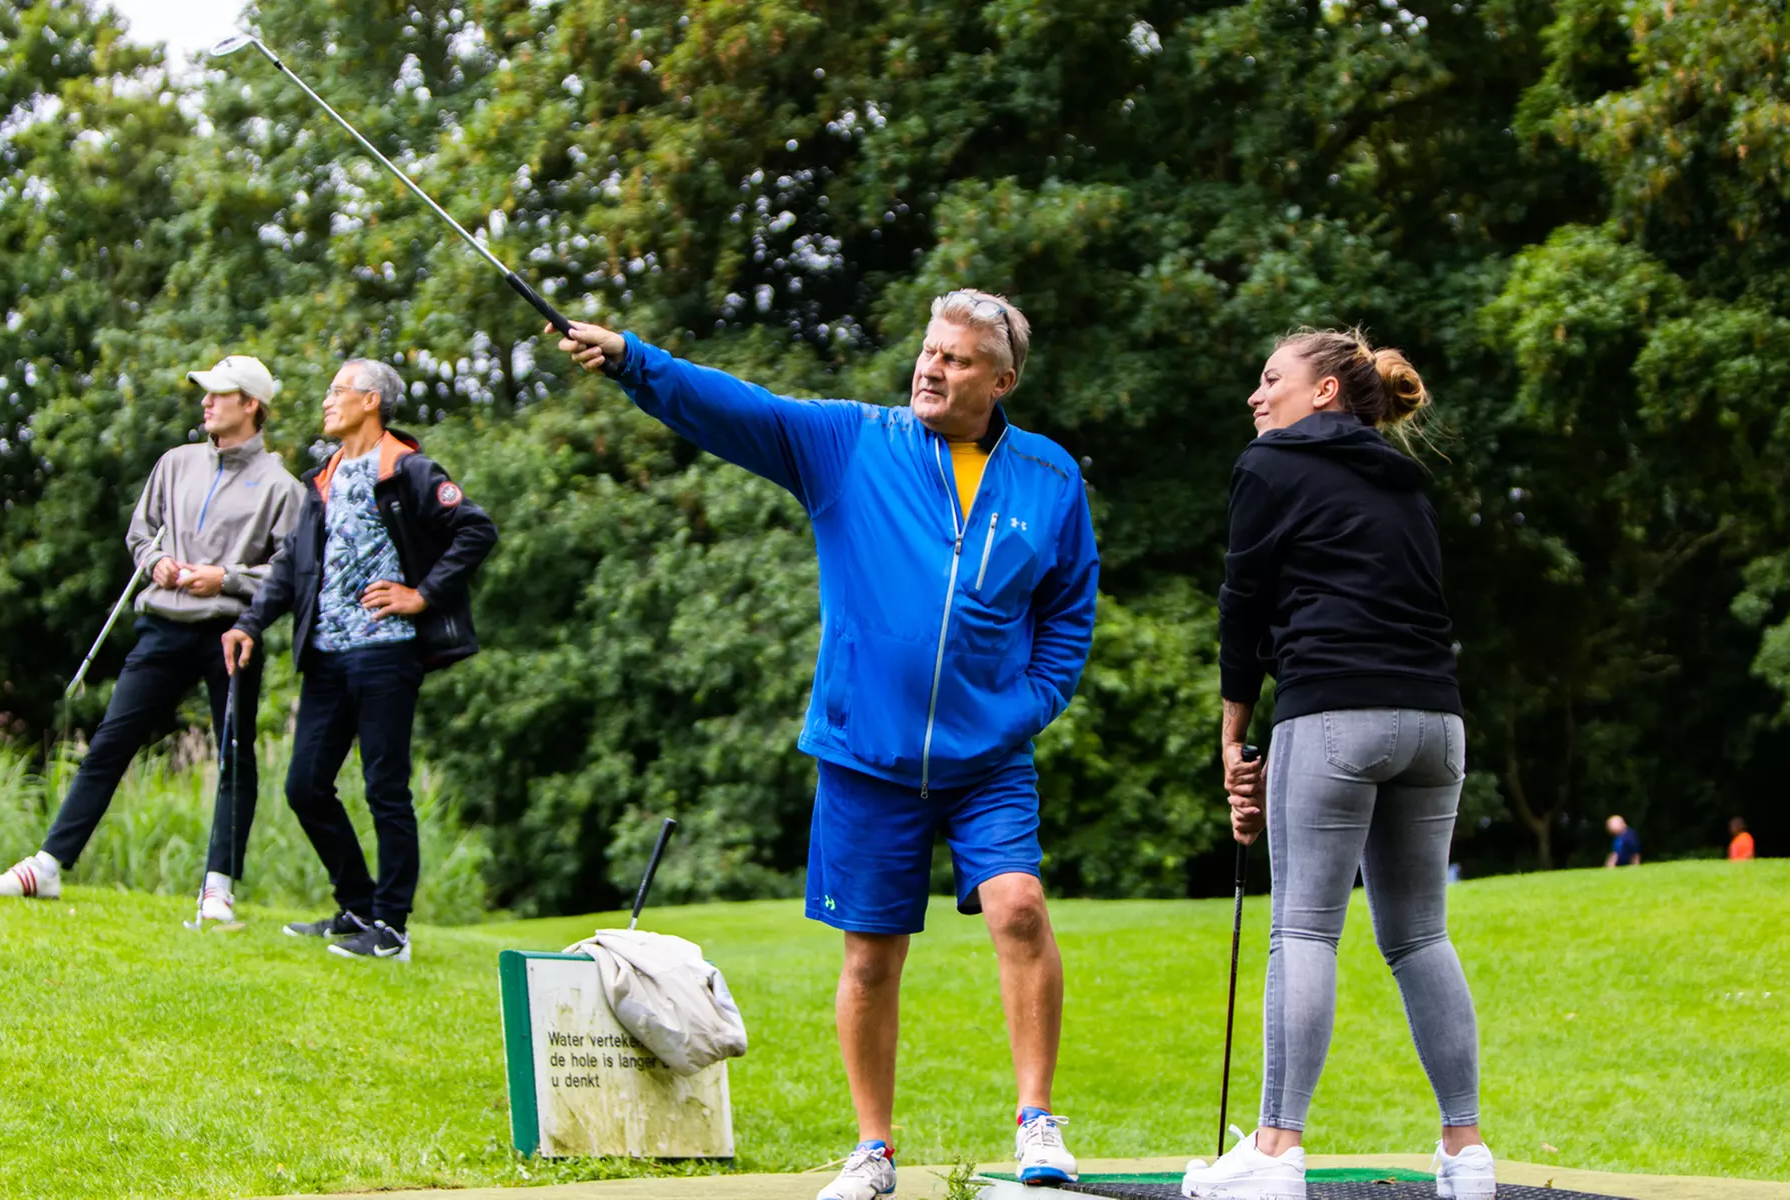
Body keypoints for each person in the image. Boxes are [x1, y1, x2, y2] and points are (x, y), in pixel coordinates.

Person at [551, 291, 1099, 1196]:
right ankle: (873, 1150)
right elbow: (740, 409)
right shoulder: (851, 443)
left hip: (988, 757)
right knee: (871, 955)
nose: (931, 368)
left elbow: (1068, 609)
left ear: (1000, 381)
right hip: (862, 754)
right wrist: (632, 360)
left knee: (1020, 909)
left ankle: (1037, 1125)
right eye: (929, 351)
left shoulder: (1048, 477)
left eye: (956, 360)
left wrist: (1032, 704)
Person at [1186, 330, 1495, 1200]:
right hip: (1436, 724)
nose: (1256, 397)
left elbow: (1241, 602)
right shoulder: (1405, 480)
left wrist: (1232, 735)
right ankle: (1465, 1154)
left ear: (1323, 391)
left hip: (1333, 713)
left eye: (1270, 379)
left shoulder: (1267, 464)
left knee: (1306, 929)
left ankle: (1276, 1151)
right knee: (1420, 934)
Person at [0, 355, 301, 923]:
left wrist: (224, 579)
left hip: (230, 632)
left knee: (233, 756)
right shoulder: (175, 463)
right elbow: (141, 532)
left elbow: (293, 572)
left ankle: (218, 887)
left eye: (219, 394)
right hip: (162, 624)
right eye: (206, 393)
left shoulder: (282, 486)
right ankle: (48, 866)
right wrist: (159, 564)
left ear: (251, 405)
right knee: (111, 741)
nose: (206, 402)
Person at [223, 357, 497, 963]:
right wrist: (248, 623)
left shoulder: (409, 469)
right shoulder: (320, 480)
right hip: (325, 658)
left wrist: (421, 595)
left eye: (336, 391)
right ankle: (356, 906)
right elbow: (292, 567)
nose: (326, 401)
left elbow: (475, 530)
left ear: (371, 400)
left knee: (385, 791)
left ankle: (392, 930)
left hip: (385, 653)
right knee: (304, 787)